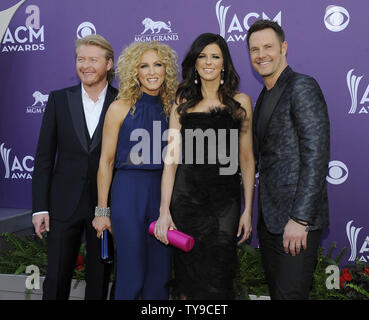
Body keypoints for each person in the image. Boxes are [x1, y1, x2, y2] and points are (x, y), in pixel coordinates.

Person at [155, 33, 255, 299]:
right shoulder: (181, 101)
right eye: (202, 56)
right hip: (186, 199)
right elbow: (171, 160)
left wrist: (247, 210)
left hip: (225, 202)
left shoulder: (240, 102)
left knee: (220, 274)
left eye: (215, 56)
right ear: (195, 62)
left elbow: (246, 158)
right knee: (188, 276)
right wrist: (164, 210)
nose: (208, 62)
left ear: (225, 63)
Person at [246, 20, 330, 300]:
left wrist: (300, 218)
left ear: (283, 48)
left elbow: (316, 156)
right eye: (254, 49)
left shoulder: (301, 86)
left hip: (296, 222)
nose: (261, 55)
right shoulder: (266, 94)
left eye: (268, 47)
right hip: (270, 222)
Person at [32, 34, 118, 300]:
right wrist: (40, 208)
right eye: (81, 59)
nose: (86, 65)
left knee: (99, 278)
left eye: (93, 59)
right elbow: (44, 157)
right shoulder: (59, 99)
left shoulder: (123, 101)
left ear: (109, 64)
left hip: (106, 206)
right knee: (56, 277)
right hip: (63, 204)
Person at [92, 41, 178, 300]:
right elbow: (105, 162)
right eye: (144, 65)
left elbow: (174, 161)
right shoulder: (119, 108)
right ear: (135, 71)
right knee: (132, 274)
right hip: (128, 193)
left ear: (166, 70)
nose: (152, 72)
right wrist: (102, 211)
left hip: (162, 194)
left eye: (158, 64)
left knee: (160, 275)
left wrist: (168, 207)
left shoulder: (172, 110)